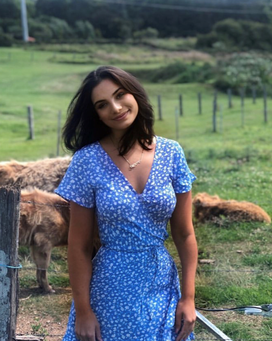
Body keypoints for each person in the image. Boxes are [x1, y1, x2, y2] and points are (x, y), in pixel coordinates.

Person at [55, 66, 198, 341]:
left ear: (135, 93)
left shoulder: (171, 153)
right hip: (109, 290)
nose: (116, 107)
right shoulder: (87, 161)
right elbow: (79, 246)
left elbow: (185, 233)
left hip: (161, 285)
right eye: (102, 104)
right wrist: (83, 311)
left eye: (120, 95)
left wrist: (188, 298)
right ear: (96, 113)